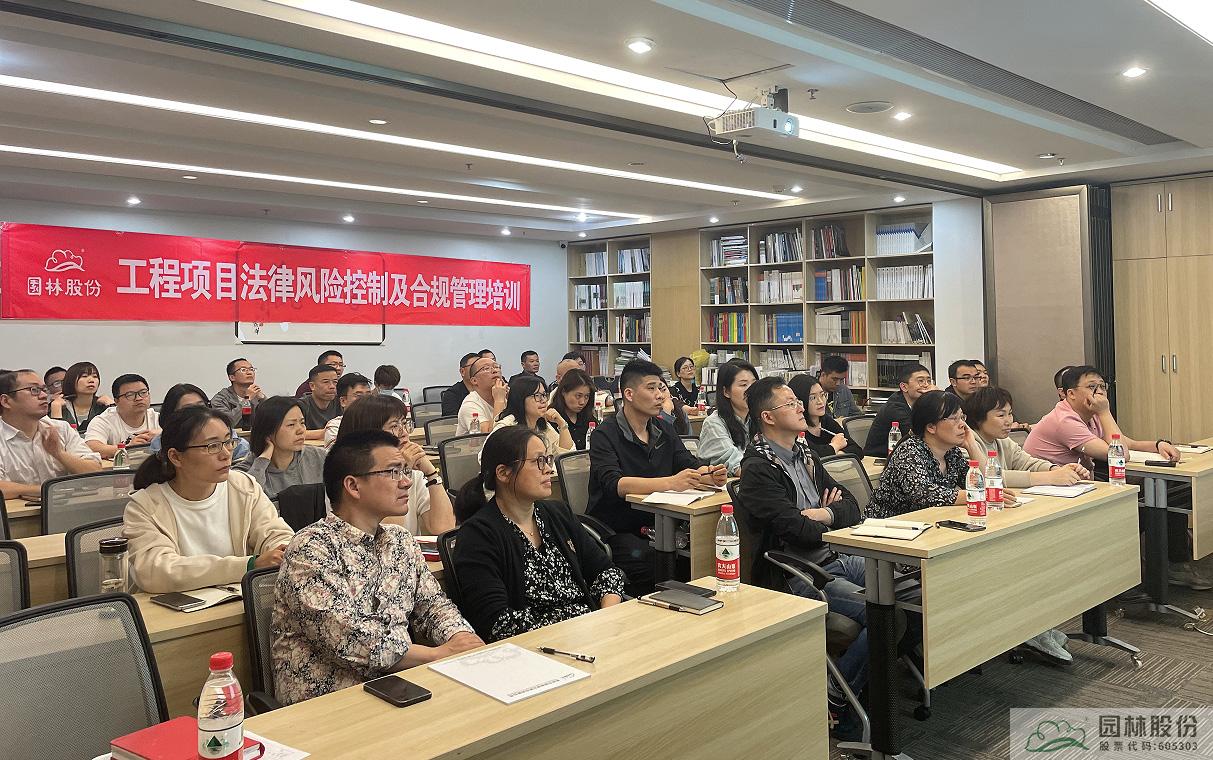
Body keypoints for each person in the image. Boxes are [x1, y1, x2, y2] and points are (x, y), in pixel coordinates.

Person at [272, 430, 482, 705]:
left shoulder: (400, 541)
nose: (406, 482)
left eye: (405, 471)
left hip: (401, 688)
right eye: (393, 472)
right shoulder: (311, 548)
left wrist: (462, 638)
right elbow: (349, 638)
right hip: (329, 704)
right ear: (353, 486)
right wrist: (438, 654)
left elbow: (434, 606)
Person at [736, 376, 869, 726]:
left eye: (798, 401)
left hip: (837, 556)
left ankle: (859, 685)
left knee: (914, 591)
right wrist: (825, 518)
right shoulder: (758, 469)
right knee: (886, 611)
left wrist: (822, 514)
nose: (800, 408)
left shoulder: (805, 455)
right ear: (768, 417)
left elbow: (852, 507)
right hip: (800, 573)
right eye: (791, 403)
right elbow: (798, 532)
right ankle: (837, 693)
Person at [1024, 366, 1200, 588]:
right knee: (1142, 504)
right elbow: (1119, 453)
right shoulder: (1064, 420)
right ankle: (1132, 574)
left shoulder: (1090, 414)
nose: (1099, 392)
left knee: (1167, 488)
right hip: (1052, 493)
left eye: (1102, 387)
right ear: (1070, 394)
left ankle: (1167, 565)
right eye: (1092, 387)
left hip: (1078, 484)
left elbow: (1126, 442)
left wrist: (1158, 444)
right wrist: (1105, 412)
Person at [452, 426, 625, 640]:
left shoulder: (558, 513)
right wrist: (574, 632)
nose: (549, 470)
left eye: (548, 459)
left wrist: (606, 617)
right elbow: (498, 623)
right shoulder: (478, 535)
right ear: (503, 473)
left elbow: (606, 572)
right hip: (538, 647)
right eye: (538, 462)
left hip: (592, 631)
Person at [588, 359, 726, 592]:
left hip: (663, 524)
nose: (660, 395)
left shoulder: (663, 428)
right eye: (651, 388)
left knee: (697, 558)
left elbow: (688, 463)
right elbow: (615, 484)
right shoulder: (605, 434)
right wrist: (671, 482)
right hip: (618, 528)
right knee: (656, 565)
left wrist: (708, 475)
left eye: (661, 388)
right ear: (629, 394)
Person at [123, 406, 293, 593]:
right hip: (172, 608)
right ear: (176, 457)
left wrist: (280, 552)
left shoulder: (243, 486)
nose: (226, 454)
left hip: (236, 602)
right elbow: (156, 571)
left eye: (228, 442)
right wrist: (248, 565)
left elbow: (276, 534)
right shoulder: (144, 506)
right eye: (212, 446)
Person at [334, 394, 455, 535]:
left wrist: (431, 473)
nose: (404, 433)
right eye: (394, 426)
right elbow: (389, 536)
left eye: (404, 424)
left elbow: (444, 528)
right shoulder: (355, 479)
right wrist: (402, 470)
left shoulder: (412, 474)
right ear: (368, 434)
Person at [867, 390, 987, 519]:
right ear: (931, 427)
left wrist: (971, 446)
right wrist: (976, 495)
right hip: (888, 525)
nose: (962, 424)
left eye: (962, 417)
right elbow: (923, 494)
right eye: (954, 418)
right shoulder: (909, 451)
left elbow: (982, 484)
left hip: (928, 521)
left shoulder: (952, 453)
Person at [0, 369, 101, 499]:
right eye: (34, 390)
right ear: (6, 401)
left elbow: (95, 472)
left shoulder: (61, 429)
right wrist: (47, 490)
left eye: (44, 390)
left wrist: (59, 454)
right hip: (17, 512)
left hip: (66, 508)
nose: (43, 396)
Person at [965, 387, 1091, 487]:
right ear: (978, 417)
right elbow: (990, 477)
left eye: (1010, 414)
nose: (1008, 421)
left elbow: (1027, 463)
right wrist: (1050, 477)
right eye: (1001, 415)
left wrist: (1058, 470)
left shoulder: (1003, 441)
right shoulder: (966, 443)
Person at [246, 396, 328, 500]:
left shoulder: (320, 457)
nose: (301, 430)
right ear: (268, 431)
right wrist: (263, 460)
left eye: (302, 423)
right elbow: (246, 501)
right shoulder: (249, 469)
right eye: (291, 425)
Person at [150, 383, 251, 462]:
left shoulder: (228, 436)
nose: (198, 413)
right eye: (189, 409)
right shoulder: (159, 443)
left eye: (201, 407)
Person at [697, 360, 757, 476]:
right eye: (743, 385)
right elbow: (739, 467)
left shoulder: (757, 418)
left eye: (754, 384)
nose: (751, 390)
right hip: (725, 485)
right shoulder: (713, 423)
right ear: (726, 392)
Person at [491, 376, 574, 456]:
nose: (543, 400)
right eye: (537, 396)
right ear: (520, 399)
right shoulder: (506, 427)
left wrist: (562, 424)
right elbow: (488, 456)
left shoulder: (542, 425)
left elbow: (566, 458)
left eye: (544, 395)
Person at [84, 374, 161, 459]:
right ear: (116, 401)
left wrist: (162, 435)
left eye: (143, 393)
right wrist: (128, 447)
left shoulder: (158, 418)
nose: (139, 398)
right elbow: (92, 447)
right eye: (130, 395)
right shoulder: (103, 420)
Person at [864, 364, 933, 457]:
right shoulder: (894, 408)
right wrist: (936, 396)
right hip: (879, 458)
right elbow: (917, 437)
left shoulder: (920, 404)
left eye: (929, 381)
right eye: (921, 381)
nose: (926, 385)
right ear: (904, 387)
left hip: (905, 455)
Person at [790, 374, 863, 459]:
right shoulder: (795, 428)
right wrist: (835, 446)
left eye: (822, 395)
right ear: (799, 401)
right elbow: (811, 456)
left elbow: (857, 450)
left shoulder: (826, 420)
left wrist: (837, 454)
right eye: (813, 398)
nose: (820, 401)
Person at [49, 361, 114, 433]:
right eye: (84, 376)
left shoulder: (103, 406)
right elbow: (55, 437)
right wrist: (56, 409)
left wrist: (112, 405)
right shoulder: (59, 406)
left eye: (95, 376)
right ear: (71, 380)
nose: (91, 380)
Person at [457, 355, 508, 435]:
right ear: (474, 381)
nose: (495, 371)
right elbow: (488, 436)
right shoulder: (470, 405)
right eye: (486, 368)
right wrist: (499, 401)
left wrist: (513, 399)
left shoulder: (505, 396)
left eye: (496, 367)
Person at [212, 358, 265, 429]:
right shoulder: (220, 399)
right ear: (232, 377)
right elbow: (225, 424)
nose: (249, 373)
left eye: (251, 369)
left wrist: (263, 399)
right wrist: (247, 400)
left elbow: (274, 420)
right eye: (243, 370)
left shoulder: (256, 396)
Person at [323, 373, 374, 445]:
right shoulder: (335, 427)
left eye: (368, 395)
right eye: (359, 396)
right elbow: (340, 451)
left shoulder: (379, 422)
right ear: (343, 401)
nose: (366, 400)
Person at [550, 368, 595, 450]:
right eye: (578, 396)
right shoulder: (552, 418)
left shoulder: (587, 417)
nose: (582, 402)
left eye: (586, 396)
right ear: (564, 392)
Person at [298, 364, 341, 439]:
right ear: (312, 386)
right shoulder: (301, 405)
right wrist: (327, 432)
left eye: (335, 382)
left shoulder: (340, 402)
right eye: (326, 382)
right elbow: (294, 432)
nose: (332, 386)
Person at [441, 353, 478, 417]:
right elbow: (451, 421)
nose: (478, 370)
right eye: (474, 366)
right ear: (462, 371)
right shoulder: (451, 394)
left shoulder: (489, 390)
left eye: (483, 368)